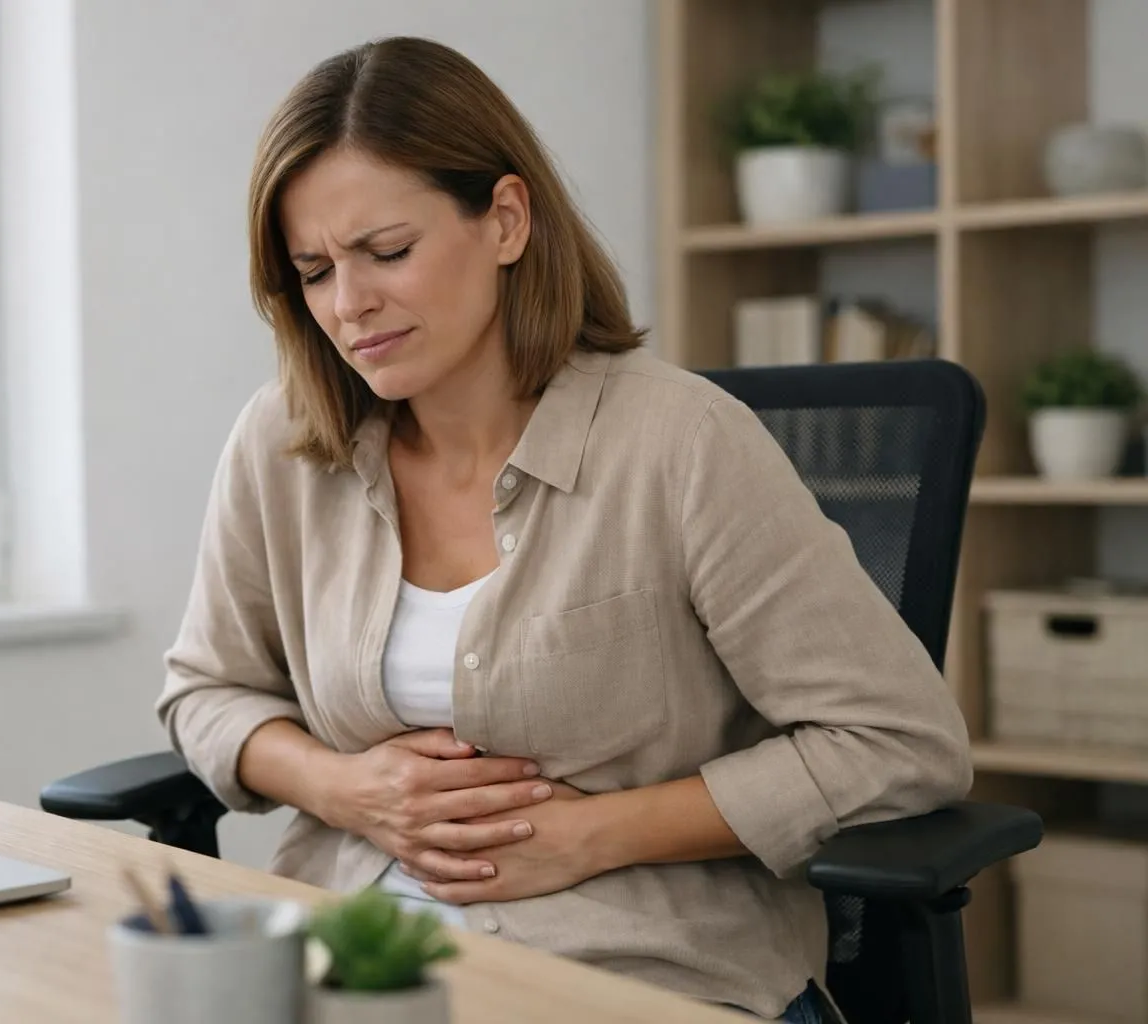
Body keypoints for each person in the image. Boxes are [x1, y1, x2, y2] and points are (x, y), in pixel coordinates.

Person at [156, 35, 972, 1023]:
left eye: (387, 251)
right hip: (355, 964)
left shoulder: (679, 443)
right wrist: (345, 787)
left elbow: (899, 742)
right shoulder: (282, 445)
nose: (349, 302)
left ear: (505, 220)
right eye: (313, 270)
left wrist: (601, 832)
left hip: (633, 970)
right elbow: (205, 691)